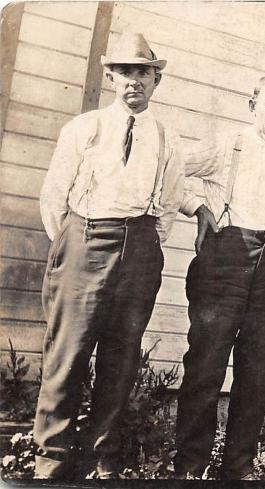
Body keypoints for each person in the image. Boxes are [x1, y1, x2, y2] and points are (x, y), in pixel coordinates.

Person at [34, 32, 183, 479]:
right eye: (124, 73)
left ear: (155, 80)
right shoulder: (85, 128)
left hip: (138, 246)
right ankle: (51, 459)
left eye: (143, 73)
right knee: (69, 351)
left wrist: (143, 243)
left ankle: (102, 457)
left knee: (121, 354)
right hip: (84, 238)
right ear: (111, 78)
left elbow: (170, 205)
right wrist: (74, 242)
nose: (133, 82)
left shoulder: (165, 136)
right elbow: (53, 197)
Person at [173, 75, 265, 479]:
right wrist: (198, 207)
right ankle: (191, 465)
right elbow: (172, 167)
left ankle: (238, 466)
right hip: (226, 254)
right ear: (252, 104)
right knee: (207, 362)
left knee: (256, 366)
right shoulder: (227, 144)